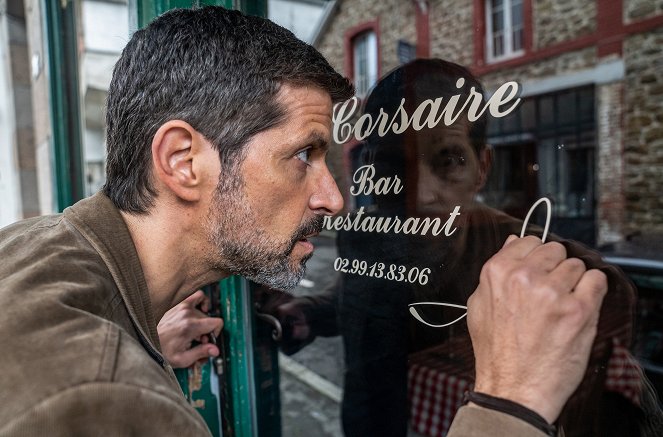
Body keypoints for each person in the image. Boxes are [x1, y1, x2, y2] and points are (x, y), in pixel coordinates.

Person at [0, 8, 607, 437]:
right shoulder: (102, 400)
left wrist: (140, 346)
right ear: (185, 162)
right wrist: (508, 408)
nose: (335, 197)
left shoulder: (37, 255)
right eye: (303, 154)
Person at [271, 59, 662, 436]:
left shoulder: (523, 253)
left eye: (449, 160)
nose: (420, 193)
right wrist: (309, 313)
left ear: (482, 167)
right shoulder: (364, 235)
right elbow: (367, 300)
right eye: (394, 165)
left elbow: (610, 293)